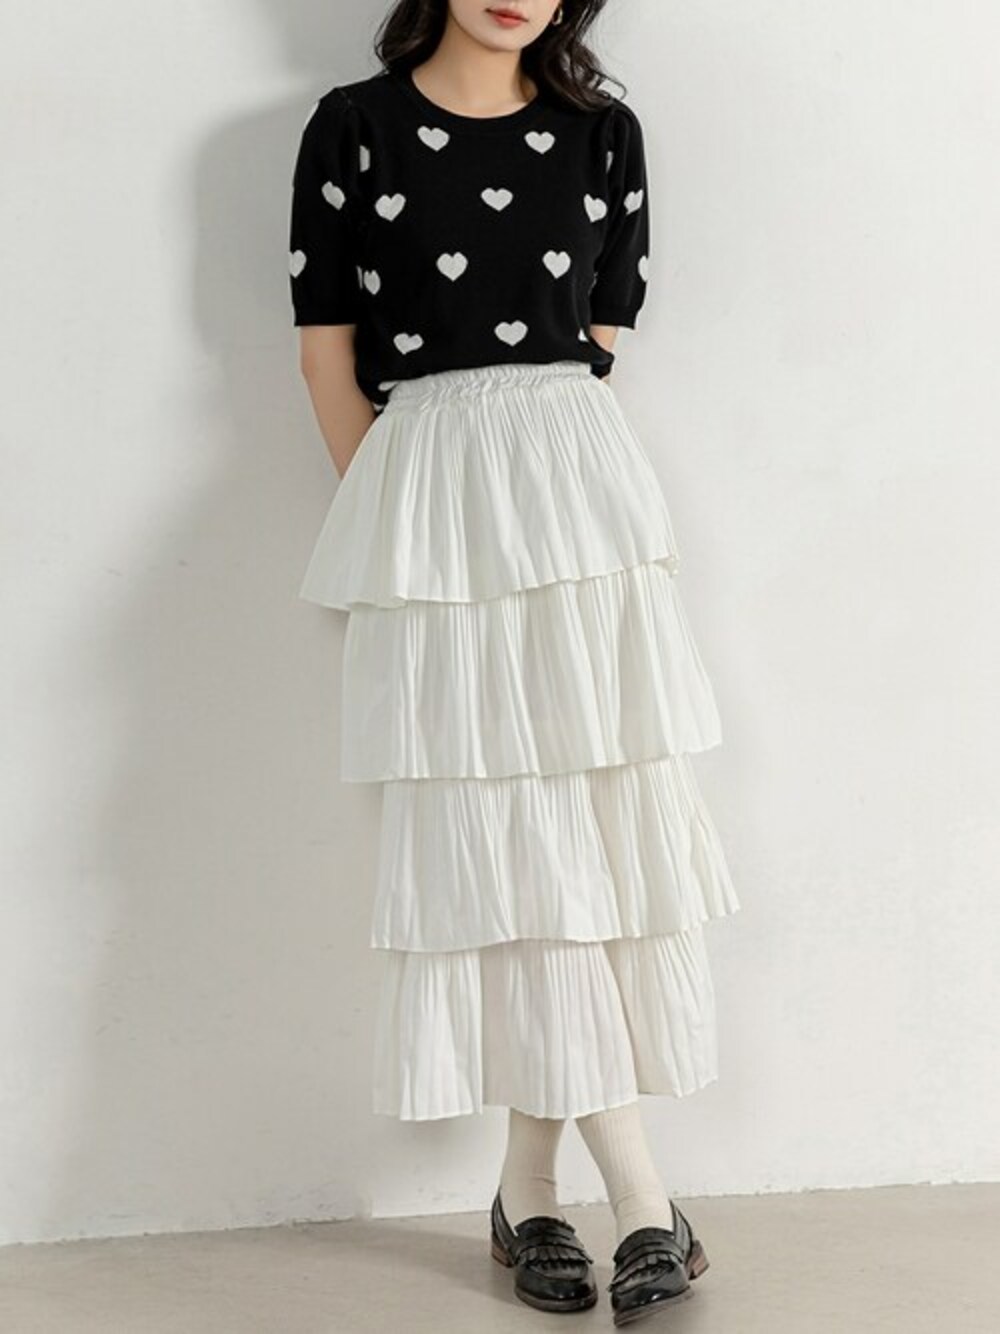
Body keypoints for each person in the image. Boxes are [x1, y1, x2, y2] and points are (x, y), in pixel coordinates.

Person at [288, 1, 739, 1324]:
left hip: (579, 505)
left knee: (584, 845)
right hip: (431, 500)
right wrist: (398, 527)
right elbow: (325, 349)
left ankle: (535, 1191)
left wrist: (534, 486)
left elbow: (603, 335)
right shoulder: (353, 128)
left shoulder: (604, 133)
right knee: (515, 852)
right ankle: (641, 1201)